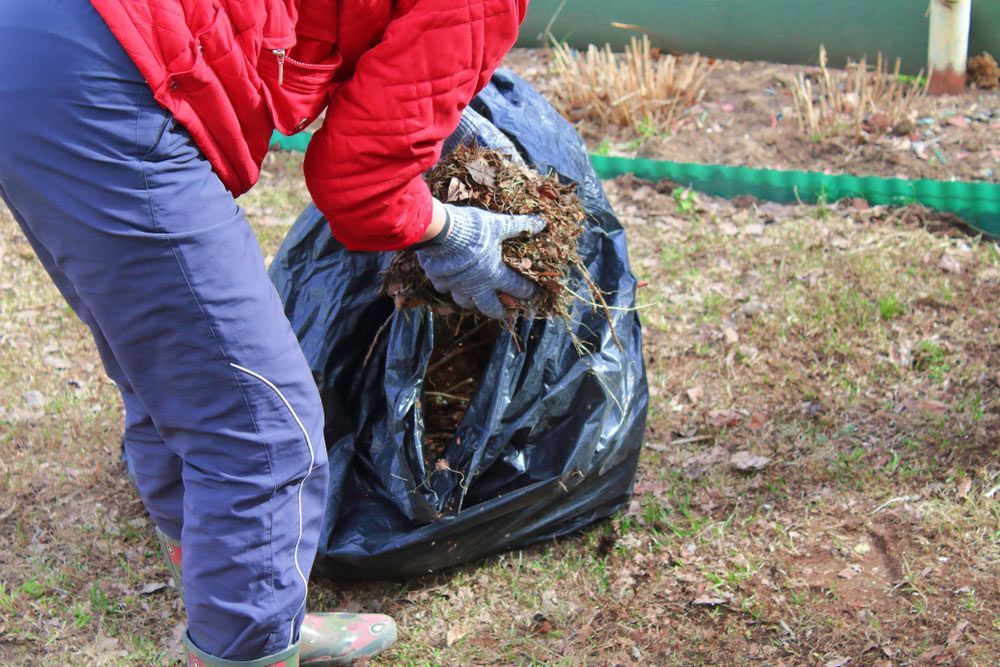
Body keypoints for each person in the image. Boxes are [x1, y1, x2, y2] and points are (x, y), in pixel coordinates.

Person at [0, 0, 539, 664]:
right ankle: (248, 640)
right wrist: (455, 230)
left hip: (33, 46)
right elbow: (359, 182)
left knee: (171, 364)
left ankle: (248, 605)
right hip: (109, 69)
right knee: (260, 426)